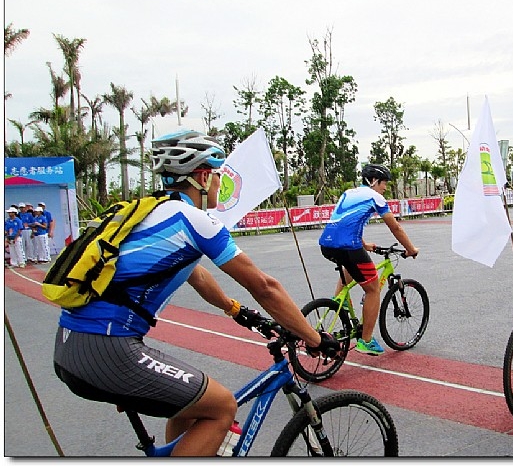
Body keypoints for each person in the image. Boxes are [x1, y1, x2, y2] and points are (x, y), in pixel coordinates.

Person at [52, 130, 339, 457]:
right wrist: (314, 339)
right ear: (202, 177)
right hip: (107, 348)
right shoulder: (194, 220)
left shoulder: (149, 211)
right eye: (217, 175)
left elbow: (196, 275)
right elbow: (264, 286)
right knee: (222, 407)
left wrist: (236, 310)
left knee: (191, 402)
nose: (219, 182)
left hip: (71, 347)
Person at [319, 163, 419, 356]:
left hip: (326, 244)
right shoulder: (375, 197)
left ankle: (339, 302)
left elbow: (345, 222)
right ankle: (365, 341)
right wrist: (410, 249)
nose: (385, 187)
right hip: (348, 246)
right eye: (384, 183)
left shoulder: (348, 193)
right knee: (373, 289)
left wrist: (364, 245)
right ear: (373, 181)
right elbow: (395, 227)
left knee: (353, 266)